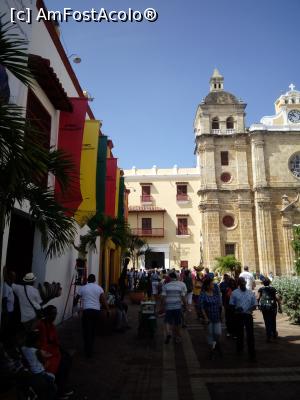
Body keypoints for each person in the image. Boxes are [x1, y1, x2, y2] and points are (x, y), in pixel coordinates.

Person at [37, 305, 73, 399]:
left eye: (55, 314)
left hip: (53, 350)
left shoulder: (51, 325)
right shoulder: (42, 325)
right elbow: (42, 345)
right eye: (52, 314)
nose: (54, 316)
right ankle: (60, 391)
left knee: (67, 358)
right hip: (46, 353)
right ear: (47, 315)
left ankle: (61, 387)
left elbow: (55, 341)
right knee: (62, 364)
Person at [74, 274, 109, 357]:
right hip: (96, 311)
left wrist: (75, 308)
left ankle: (87, 349)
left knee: (86, 330)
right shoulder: (99, 288)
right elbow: (103, 300)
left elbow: (76, 299)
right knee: (93, 330)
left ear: (87, 280)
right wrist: (107, 310)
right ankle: (91, 349)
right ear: (95, 280)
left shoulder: (82, 288)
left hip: (87, 311)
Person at [21, 330, 56, 400]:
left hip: (31, 372)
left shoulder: (23, 348)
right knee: (52, 379)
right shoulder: (37, 351)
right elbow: (44, 363)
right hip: (39, 373)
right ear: (36, 342)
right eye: (39, 341)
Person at [230, 277, 257, 361]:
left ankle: (252, 353)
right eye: (241, 283)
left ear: (245, 283)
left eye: (244, 282)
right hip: (239, 316)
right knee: (239, 334)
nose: (243, 284)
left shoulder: (250, 293)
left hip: (248, 315)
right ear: (238, 284)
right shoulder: (234, 293)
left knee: (250, 335)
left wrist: (250, 309)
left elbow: (254, 305)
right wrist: (236, 309)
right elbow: (231, 304)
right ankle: (239, 349)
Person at [199, 278, 223, 359]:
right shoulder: (203, 294)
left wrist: (222, 314)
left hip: (216, 316)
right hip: (208, 318)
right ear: (207, 285)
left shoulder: (216, 293)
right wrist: (205, 317)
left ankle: (216, 345)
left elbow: (220, 305)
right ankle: (212, 350)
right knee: (210, 335)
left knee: (218, 333)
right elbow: (201, 307)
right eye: (212, 284)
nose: (213, 285)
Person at [160, 272, 187, 344]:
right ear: (176, 277)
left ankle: (168, 333)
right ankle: (177, 337)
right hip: (178, 306)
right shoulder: (180, 286)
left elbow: (163, 297)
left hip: (168, 306)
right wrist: (185, 305)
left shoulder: (166, 286)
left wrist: (161, 306)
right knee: (177, 323)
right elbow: (183, 297)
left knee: (167, 321)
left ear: (169, 278)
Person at [257, 278, 282, 342]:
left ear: (263, 283)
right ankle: (274, 334)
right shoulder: (273, 289)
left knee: (267, 321)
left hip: (264, 307)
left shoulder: (261, 289)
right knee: (273, 320)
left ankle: (268, 336)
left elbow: (257, 298)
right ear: (269, 283)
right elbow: (278, 298)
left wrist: (258, 305)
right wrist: (280, 307)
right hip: (272, 306)